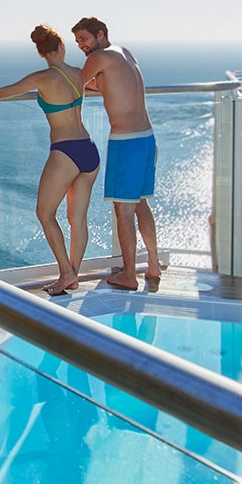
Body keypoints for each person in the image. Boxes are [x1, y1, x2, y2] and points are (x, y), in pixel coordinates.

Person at [0, 25, 99, 297]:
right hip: (88, 148)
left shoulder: (42, 77)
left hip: (65, 151)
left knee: (45, 213)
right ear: (61, 47)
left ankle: (66, 273)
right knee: (78, 218)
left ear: (40, 53)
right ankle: (73, 274)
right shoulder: (77, 73)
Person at [72, 16, 160, 291]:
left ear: (100, 34)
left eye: (84, 39)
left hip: (127, 142)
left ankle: (129, 275)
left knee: (123, 210)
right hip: (146, 138)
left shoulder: (99, 58)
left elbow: (72, 83)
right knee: (140, 203)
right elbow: (110, 85)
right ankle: (154, 266)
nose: (81, 46)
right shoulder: (123, 53)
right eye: (77, 42)